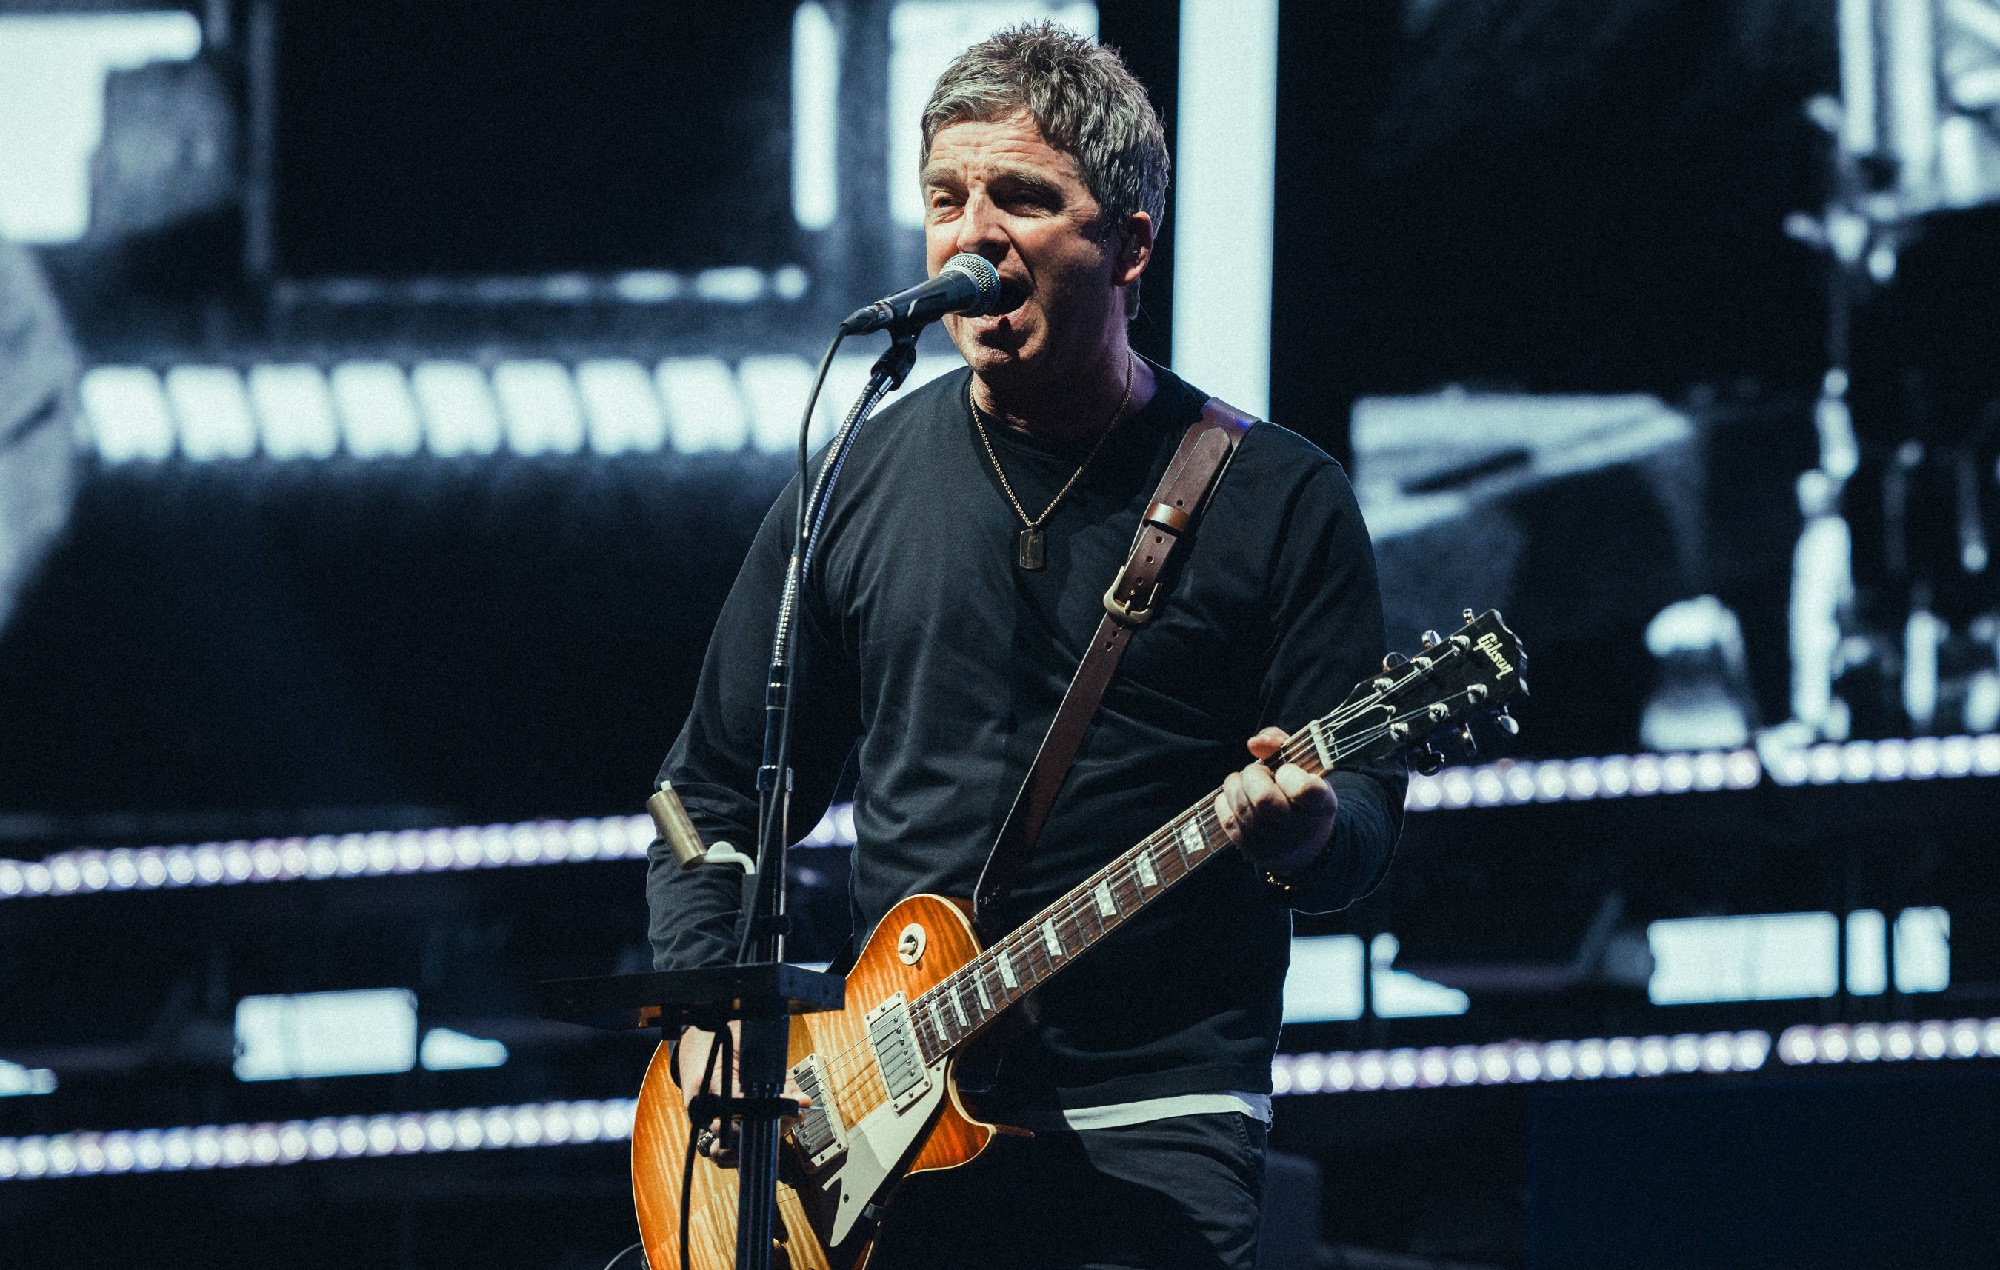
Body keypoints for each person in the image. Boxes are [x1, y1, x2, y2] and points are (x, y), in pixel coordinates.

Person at [646, 23, 1404, 1270]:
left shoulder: (1279, 498)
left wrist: (1309, 831)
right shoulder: (854, 478)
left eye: (1023, 197)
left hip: (1153, 1113)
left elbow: (1363, 821)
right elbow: (714, 790)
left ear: (1130, 248)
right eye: (947, 198)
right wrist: (711, 1016)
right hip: (882, 1125)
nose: (973, 235)